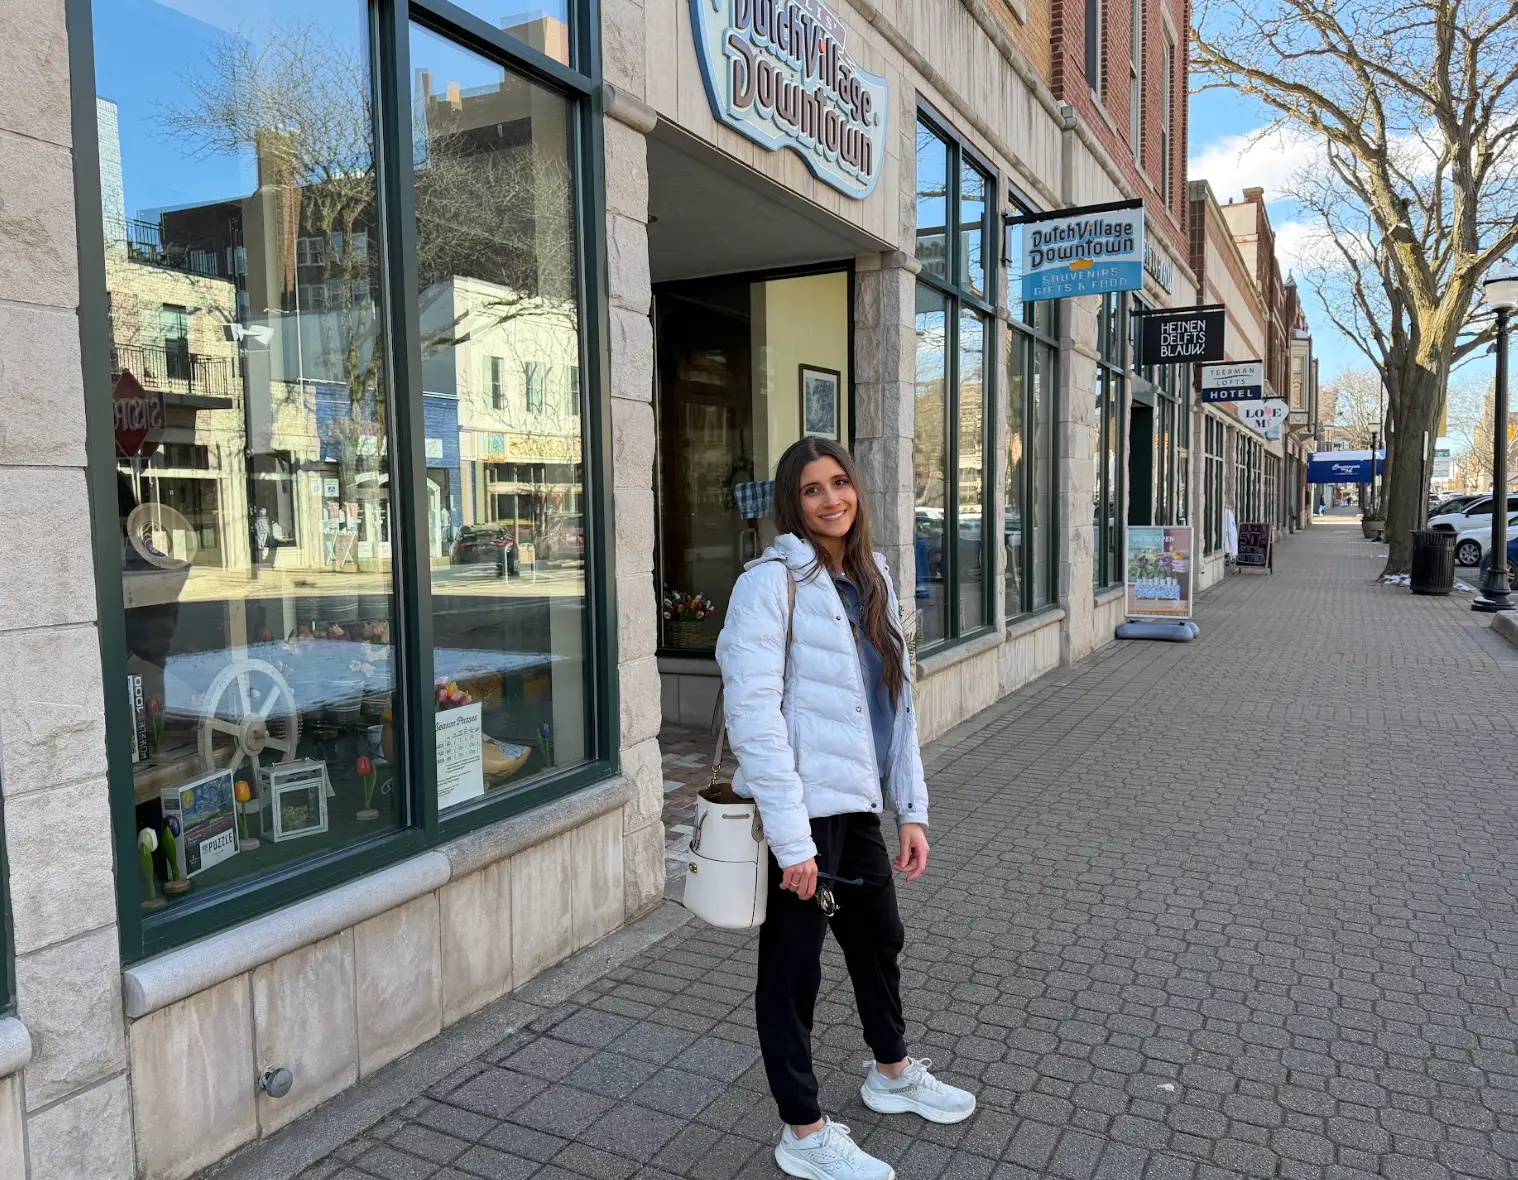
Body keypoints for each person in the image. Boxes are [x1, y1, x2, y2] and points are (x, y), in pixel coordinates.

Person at [716, 437, 976, 1180]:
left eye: (840, 483)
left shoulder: (873, 578)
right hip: (804, 816)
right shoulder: (770, 584)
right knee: (792, 973)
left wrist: (912, 812)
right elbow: (755, 720)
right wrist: (794, 844)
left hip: (857, 808)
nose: (831, 499)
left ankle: (890, 1074)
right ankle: (803, 1131)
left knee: (879, 942)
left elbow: (895, 708)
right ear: (790, 504)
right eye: (811, 490)